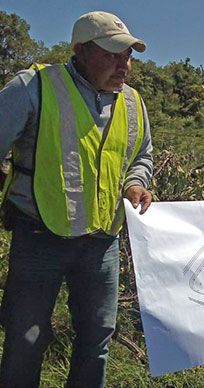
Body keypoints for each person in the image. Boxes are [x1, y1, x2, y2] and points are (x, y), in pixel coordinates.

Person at [0, 11, 153, 387]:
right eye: (113, 54)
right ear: (82, 51)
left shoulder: (132, 103)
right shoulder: (33, 86)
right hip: (39, 236)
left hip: (102, 243)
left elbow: (141, 156)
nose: (124, 64)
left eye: (128, 55)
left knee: (97, 339)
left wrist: (135, 183)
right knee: (26, 340)